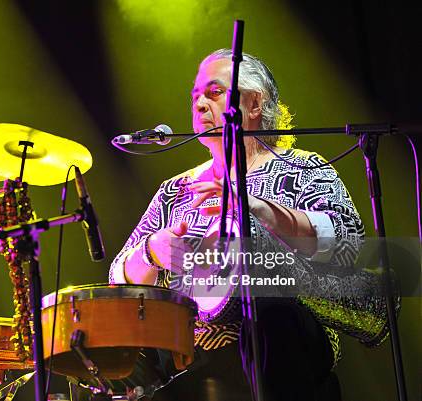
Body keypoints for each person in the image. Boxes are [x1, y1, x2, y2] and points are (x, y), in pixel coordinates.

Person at [109, 49, 365, 401]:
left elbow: (348, 241)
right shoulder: (175, 190)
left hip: (283, 352)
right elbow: (117, 277)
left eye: (213, 93)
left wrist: (256, 207)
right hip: (192, 361)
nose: (199, 104)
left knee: (271, 314)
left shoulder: (304, 170)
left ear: (254, 104)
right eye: (195, 96)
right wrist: (151, 251)